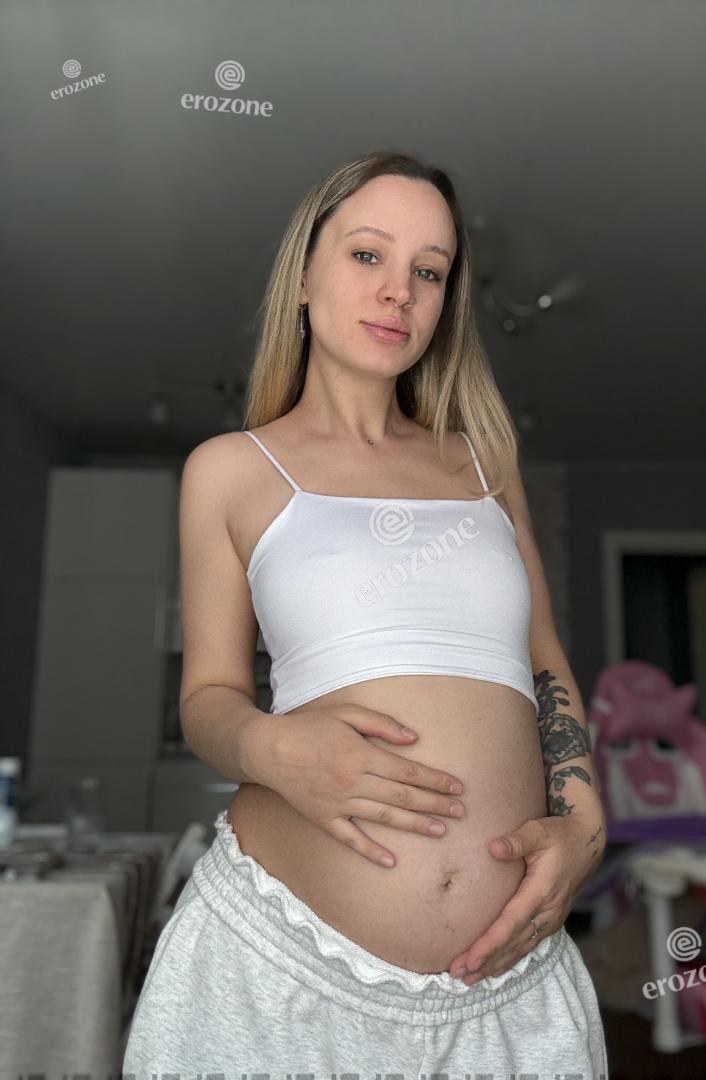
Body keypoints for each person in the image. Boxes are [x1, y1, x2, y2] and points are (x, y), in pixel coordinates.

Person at [123, 150, 609, 1080]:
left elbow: (544, 658)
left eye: (429, 270)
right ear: (303, 278)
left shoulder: (485, 463)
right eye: (367, 255)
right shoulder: (230, 470)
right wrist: (273, 748)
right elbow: (209, 695)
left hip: (506, 988)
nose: (399, 292)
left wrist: (584, 822)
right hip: (278, 974)